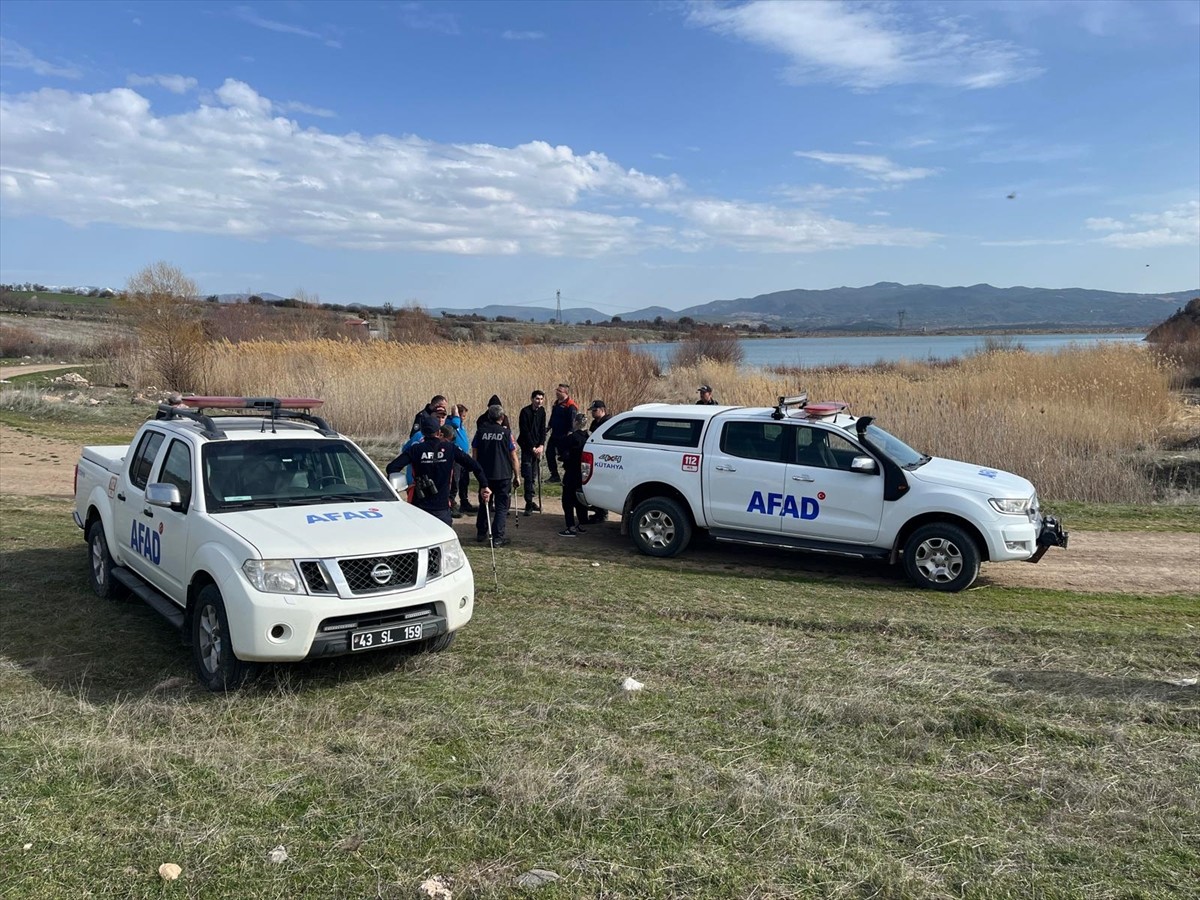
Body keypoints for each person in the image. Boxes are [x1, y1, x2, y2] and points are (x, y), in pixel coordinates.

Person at [386, 420, 491, 526]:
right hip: (441, 507)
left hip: (419, 505)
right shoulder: (450, 448)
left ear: (423, 432)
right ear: (439, 432)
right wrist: (484, 485)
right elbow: (475, 466)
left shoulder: (415, 450)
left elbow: (392, 468)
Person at [472, 403, 520, 546]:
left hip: (485, 474)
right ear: (502, 417)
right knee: (501, 507)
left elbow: (474, 452)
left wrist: (476, 469)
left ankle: (481, 532)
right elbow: (513, 456)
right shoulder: (506, 433)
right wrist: (517, 475)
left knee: (484, 503)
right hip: (503, 474)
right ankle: (498, 537)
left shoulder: (480, 431)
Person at [559, 412, 592, 537]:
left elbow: (561, 450)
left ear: (576, 423)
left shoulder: (572, 438)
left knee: (567, 500)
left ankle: (570, 527)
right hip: (584, 473)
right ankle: (582, 523)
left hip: (572, 472)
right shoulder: (589, 438)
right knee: (581, 500)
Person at [518, 389, 548, 514]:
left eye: (541, 399)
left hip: (537, 448)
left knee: (534, 476)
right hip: (527, 448)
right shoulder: (525, 412)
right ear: (532, 399)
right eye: (537, 399)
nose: (539, 401)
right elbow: (525, 431)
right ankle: (528, 503)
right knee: (528, 475)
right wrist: (532, 448)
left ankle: (532, 499)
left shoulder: (542, 411)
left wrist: (541, 445)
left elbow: (542, 429)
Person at [447, 403, 477, 516]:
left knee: (464, 479)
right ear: (458, 415)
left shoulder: (460, 423)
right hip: (455, 457)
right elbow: (454, 423)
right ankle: (451, 503)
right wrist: (455, 414)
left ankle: (464, 502)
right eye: (463, 416)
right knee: (455, 480)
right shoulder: (452, 422)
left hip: (463, 456)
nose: (464, 418)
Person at [545, 382, 578, 484]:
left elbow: (572, 422)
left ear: (565, 392)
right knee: (549, 453)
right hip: (555, 434)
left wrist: (570, 433)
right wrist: (548, 427)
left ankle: (568, 477)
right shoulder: (556, 403)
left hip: (564, 436)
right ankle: (554, 475)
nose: (557, 392)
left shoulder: (570, 405)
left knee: (565, 456)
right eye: (557, 390)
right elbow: (553, 417)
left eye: (559, 391)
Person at [585, 400, 610, 523]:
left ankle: (602, 513)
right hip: (595, 456)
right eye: (592, 411)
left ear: (602, 410)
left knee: (602, 484)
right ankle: (597, 510)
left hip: (606, 457)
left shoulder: (608, 422)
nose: (593, 413)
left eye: (595, 411)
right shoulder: (595, 422)